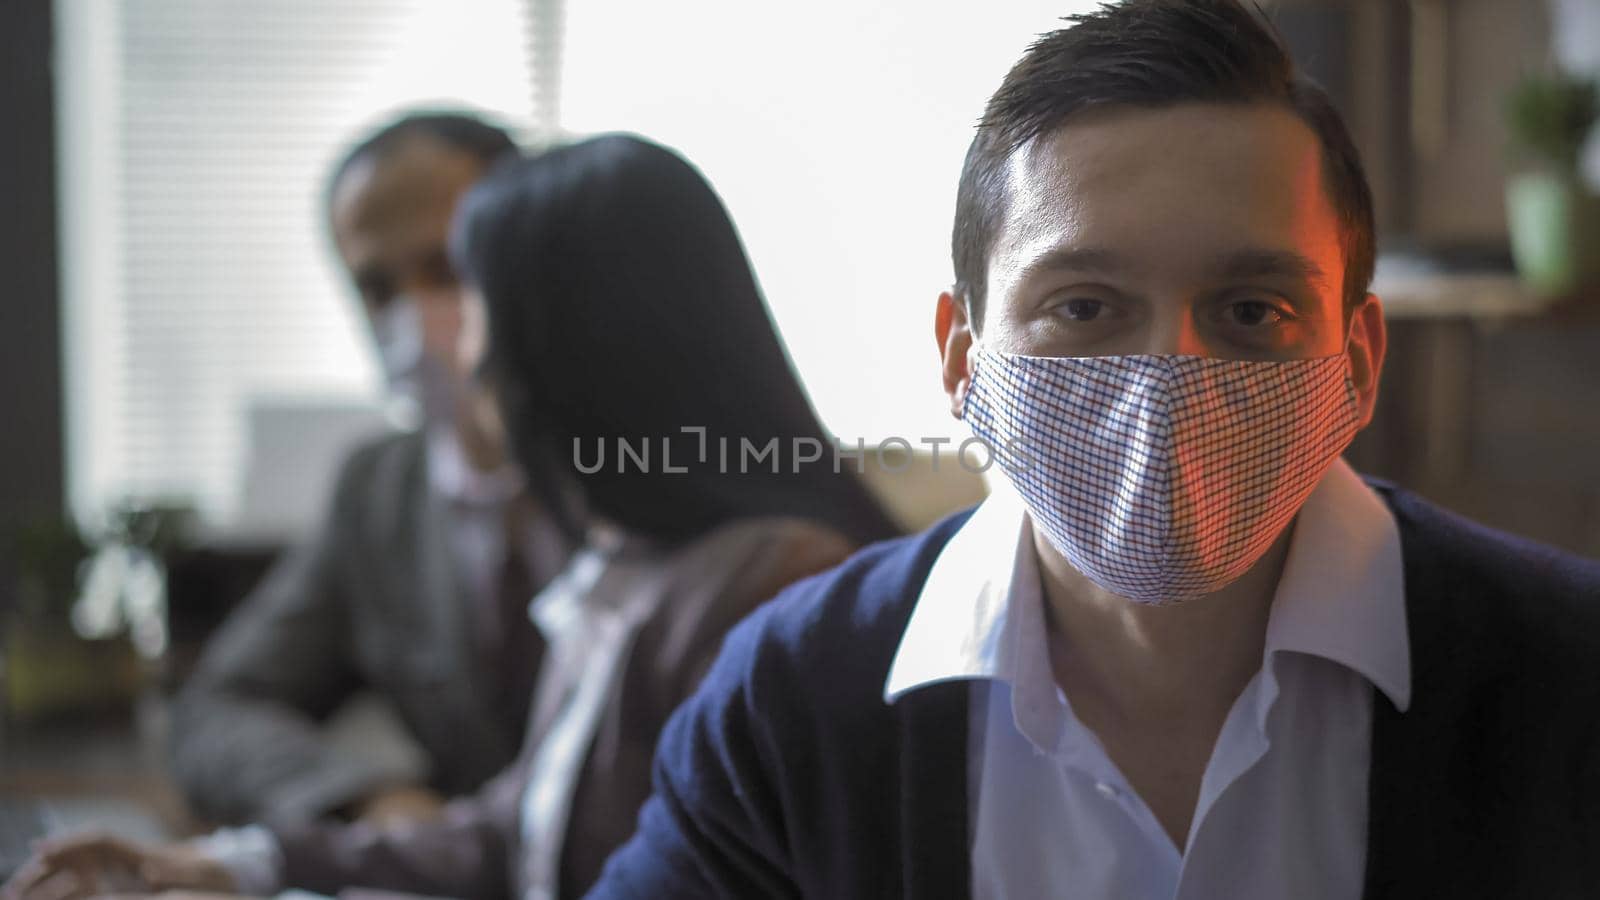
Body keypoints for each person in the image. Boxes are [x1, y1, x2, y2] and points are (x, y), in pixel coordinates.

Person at [585, 3, 1600, 898]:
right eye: (1082, 306)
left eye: (1252, 310)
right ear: (960, 356)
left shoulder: (1569, 673)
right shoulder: (795, 695)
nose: (1166, 383)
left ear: (1358, 358)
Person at [3, 135, 900, 900]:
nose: (452, 346)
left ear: (581, 329)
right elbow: (517, 829)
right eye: (380, 287)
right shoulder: (622, 570)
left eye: (465, 291)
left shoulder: (772, 585)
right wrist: (227, 864)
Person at [163, 111, 577, 831]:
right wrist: (367, 800)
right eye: (379, 288)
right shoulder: (377, 494)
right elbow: (214, 710)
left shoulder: (649, 466)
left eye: (446, 266)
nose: (416, 316)